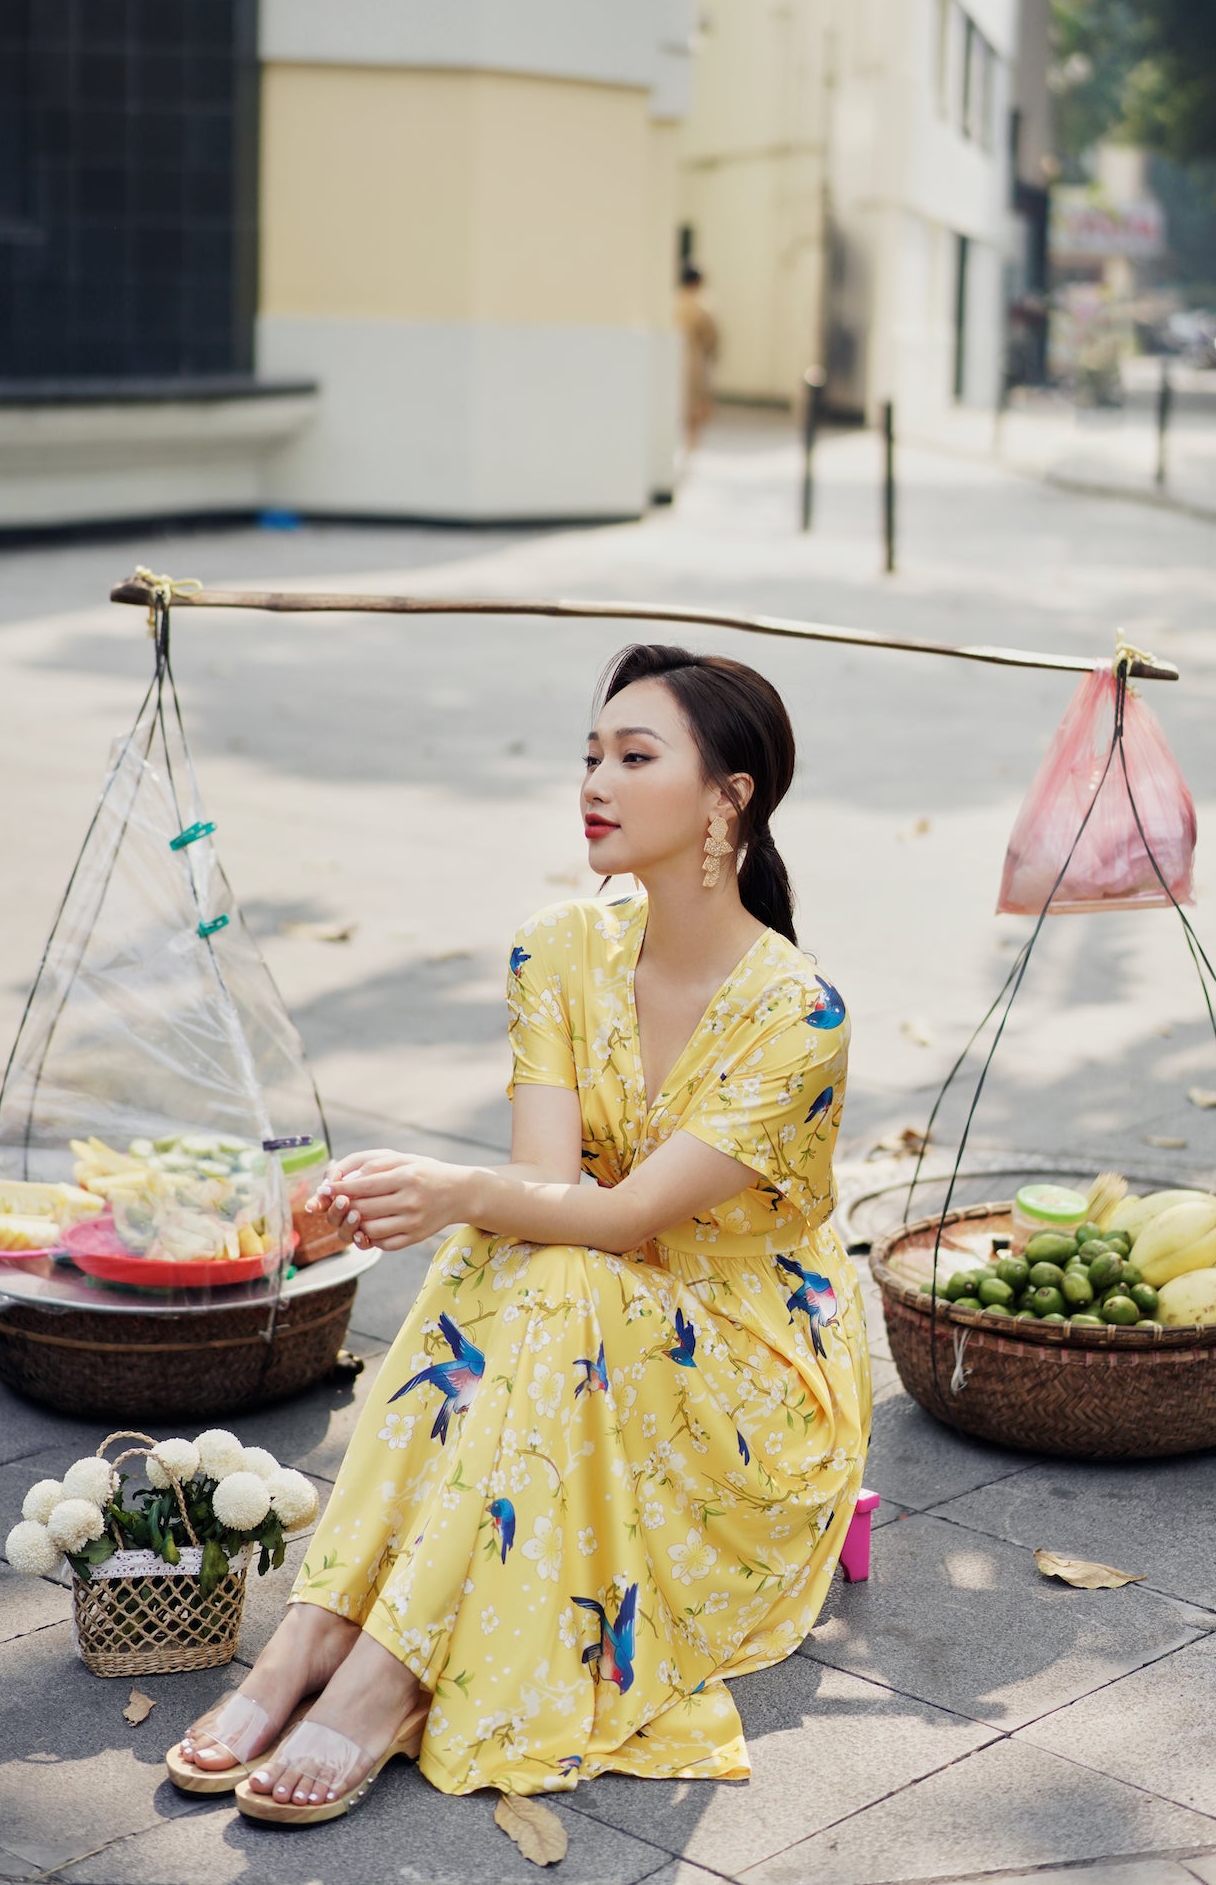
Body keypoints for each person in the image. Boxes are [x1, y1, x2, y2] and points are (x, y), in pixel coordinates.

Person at [171, 642, 871, 1825]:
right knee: (512, 1253)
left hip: (747, 1364)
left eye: (634, 758)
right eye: (590, 755)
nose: (594, 782)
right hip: (593, 1303)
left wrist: (451, 1189)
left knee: (526, 1255)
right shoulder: (559, 947)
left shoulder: (798, 1013)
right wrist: (443, 1195)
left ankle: (380, 1676)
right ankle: (316, 1635)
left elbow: (627, 1215)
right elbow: (547, 1187)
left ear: (728, 797)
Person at [675, 265, 720, 454]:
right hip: (694, 358)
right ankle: (691, 444)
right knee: (694, 402)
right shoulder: (701, 305)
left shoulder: (674, 302)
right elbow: (711, 336)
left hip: (675, 357)